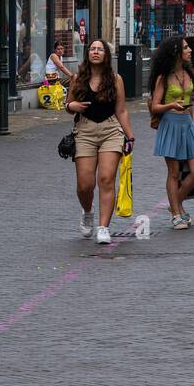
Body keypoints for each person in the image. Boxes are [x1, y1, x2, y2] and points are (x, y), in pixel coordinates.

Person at [66, 38, 135, 244]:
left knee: (106, 178)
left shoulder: (115, 79)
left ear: (106, 55)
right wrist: (73, 106)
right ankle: (88, 211)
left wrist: (129, 135)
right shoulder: (78, 78)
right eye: (92, 49)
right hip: (85, 130)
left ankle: (103, 227)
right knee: (85, 184)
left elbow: (121, 110)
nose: (95, 52)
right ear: (88, 54)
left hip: (111, 130)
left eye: (100, 49)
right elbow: (68, 104)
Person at [148, 36, 194, 230]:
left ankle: (176, 203)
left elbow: (190, 102)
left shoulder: (189, 73)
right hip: (170, 124)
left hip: (187, 125)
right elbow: (155, 106)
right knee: (173, 172)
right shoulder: (163, 77)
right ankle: (175, 214)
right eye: (186, 48)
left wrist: (192, 124)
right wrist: (171, 105)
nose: (190, 50)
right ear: (176, 53)